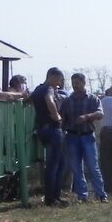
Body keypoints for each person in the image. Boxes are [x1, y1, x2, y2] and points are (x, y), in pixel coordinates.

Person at [58, 72, 108, 202]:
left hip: (87, 136)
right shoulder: (68, 100)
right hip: (72, 137)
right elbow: (62, 118)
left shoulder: (92, 99)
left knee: (93, 166)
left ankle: (101, 194)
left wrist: (87, 117)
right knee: (76, 168)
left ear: (84, 83)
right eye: (73, 83)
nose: (75, 86)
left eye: (77, 83)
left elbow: (100, 113)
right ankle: (82, 195)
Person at [30, 68, 69, 207]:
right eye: (58, 79)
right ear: (52, 76)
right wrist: (56, 115)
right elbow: (49, 101)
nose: (59, 83)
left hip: (42, 129)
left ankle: (53, 197)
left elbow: (29, 99)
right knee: (56, 165)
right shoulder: (48, 89)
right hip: (53, 129)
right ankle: (52, 198)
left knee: (56, 164)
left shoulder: (37, 89)